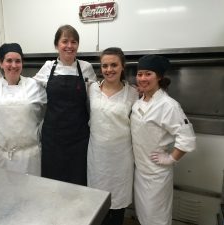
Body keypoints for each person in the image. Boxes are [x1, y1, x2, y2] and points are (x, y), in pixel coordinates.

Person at [131, 54, 196, 225]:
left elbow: (187, 138)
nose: (142, 78)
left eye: (148, 74)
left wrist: (171, 158)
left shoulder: (168, 105)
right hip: (141, 172)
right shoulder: (138, 103)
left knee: (157, 219)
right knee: (144, 216)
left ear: (159, 77)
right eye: (139, 74)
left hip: (157, 175)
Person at [34, 24, 97, 185]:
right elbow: (29, 91)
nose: (69, 46)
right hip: (53, 138)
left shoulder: (86, 68)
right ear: (57, 45)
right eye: (65, 41)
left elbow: (97, 96)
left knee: (78, 179)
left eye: (74, 42)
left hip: (79, 137)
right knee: (53, 180)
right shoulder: (48, 67)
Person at [87, 47, 138, 225]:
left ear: (123, 66)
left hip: (121, 159)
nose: (109, 70)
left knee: (117, 206)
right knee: (96, 205)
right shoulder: (92, 89)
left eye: (114, 65)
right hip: (97, 158)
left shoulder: (132, 93)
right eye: (105, 65)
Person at [0, 43, 46, 175]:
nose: (13, 65)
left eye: (18, 61)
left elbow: (55, 104)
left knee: (30, 192)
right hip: (2, 155)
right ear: (1, 63)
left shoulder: (35, 85)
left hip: (30, 156)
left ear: (22, 63)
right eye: (9, 61)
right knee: (5, 192)